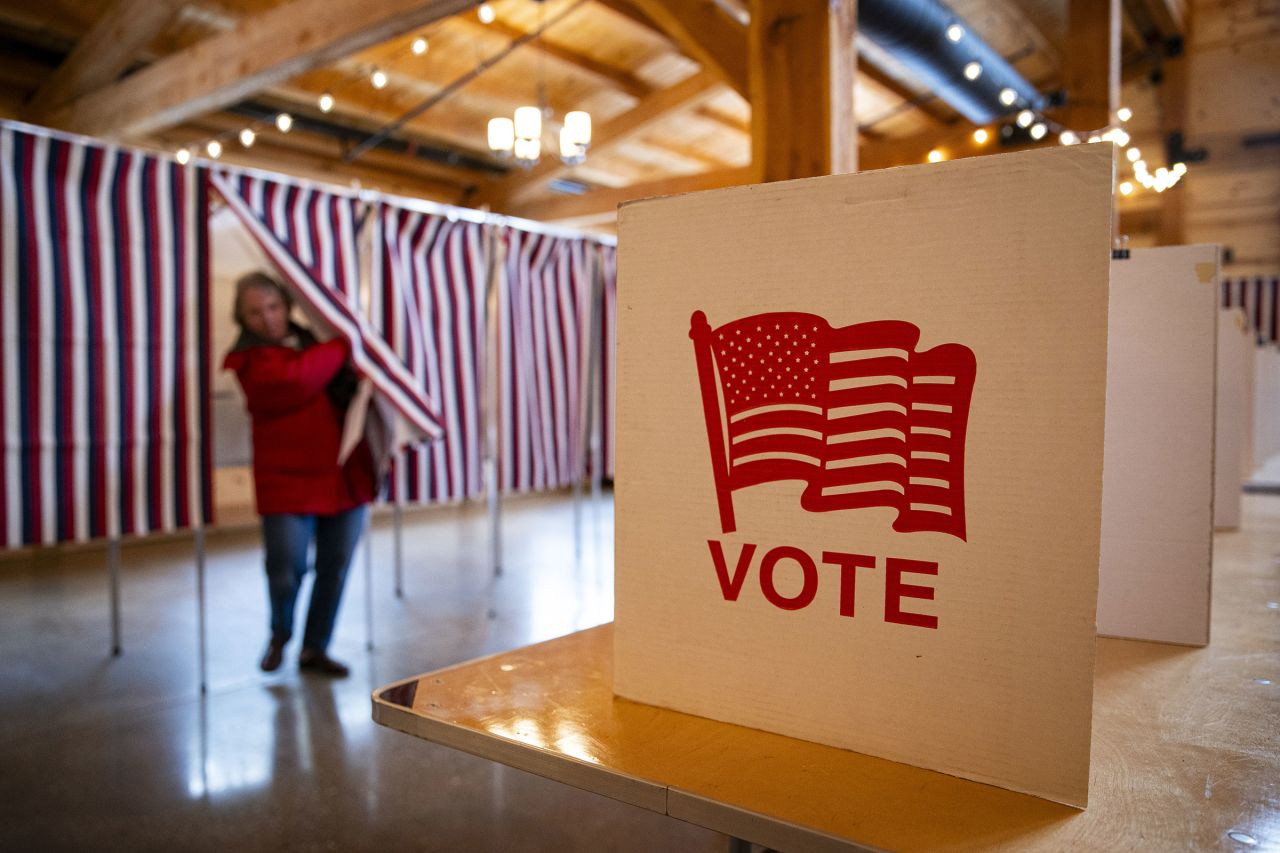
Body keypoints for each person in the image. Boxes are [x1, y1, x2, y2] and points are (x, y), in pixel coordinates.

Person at [224, 271, 378, 678]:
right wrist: (347, 341)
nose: (268, 318)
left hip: (340, 475)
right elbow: (294, 382)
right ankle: (281, 632)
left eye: (273, 306)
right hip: (285, 478)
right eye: (255, 312)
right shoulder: (249, 359)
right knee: (286, 564)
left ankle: (315, 647)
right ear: (242, 319)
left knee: (336, 564)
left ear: (288, 305)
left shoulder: (313, 342)